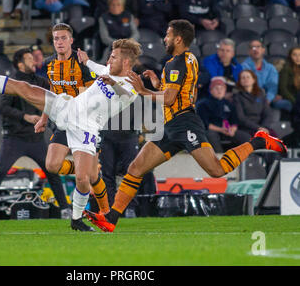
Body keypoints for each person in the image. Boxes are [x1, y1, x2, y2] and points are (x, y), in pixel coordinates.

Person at [83, 19, 287, 232]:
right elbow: (184, 92)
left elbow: (170, 99)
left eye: (168, 35)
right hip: (171, 125)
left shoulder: (176, 62)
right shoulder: (189, 59)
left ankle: (258, 141)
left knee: (216, 170)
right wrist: (157, 85)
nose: (164, 38)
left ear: (178, 38)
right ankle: (111, 218)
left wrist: (144, 91)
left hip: (184, 123)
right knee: (135, 168)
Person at [0, 38, 142, 231]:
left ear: (125, 62)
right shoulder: (107, 70)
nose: (109, 60)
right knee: (25, 88)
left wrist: (111, 82)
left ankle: (76, 219)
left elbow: (124, 94)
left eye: (113, 57)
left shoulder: (132, 85)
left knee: (83, 178)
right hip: (68, 108)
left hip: (87, 128)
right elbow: (97, 67)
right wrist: (87, 61)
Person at [0, 48, 71, 221]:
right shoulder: (13, 82)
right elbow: (3, 108)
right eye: (28, 58)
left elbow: (52, 100)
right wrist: (25, 116)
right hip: (14, 138)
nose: (33, 61)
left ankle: (65, 209)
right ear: (20, 64)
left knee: (52, 172)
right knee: (0, 172)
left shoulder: (40, 81)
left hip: (35, 139)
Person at [42, 23, 111, 220]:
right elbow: (51, 95)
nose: (60, 42)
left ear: (71, 40)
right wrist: (43, 118)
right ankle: (83, 169)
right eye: (56, 38)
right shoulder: (48, 64)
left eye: (63, 38)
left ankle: (106, 212)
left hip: (86, 123)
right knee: (52, 165)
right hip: (64, 122)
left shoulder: (82, 63)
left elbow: (94, 94)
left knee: (92, 177)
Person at [197, 77, 251, 153]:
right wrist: (221, 130)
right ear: (211, 90)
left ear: (225, 90)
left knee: (245, 137)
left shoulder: (229, 104)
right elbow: (206, 124)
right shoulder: (203, 104)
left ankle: (244, 160)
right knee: (211, 135)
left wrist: (232, 129)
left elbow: (234, 121)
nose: (219, 91)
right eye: (216, 88)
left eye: (221, 88)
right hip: (213, 130)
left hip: (227, 131)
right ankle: (220, 159)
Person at [241, 40, 292, 112]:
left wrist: (268, 99)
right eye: (253, 47)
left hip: (267, 99)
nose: (256, 50)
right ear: (249, 52)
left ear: (263, 50)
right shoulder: (243, 67)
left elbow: (272, 87)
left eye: (258, 47)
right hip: (251, 98)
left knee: (286, 104)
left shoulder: (271, 68)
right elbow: (247, 87)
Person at [98, 0, 139, 64]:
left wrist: (128, 43)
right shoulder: (103, 18)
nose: (115, 7)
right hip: (111, 47)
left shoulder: (129, 16)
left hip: (129, 47)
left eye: (118, 5)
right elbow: (105, 38)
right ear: (109, 6)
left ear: (123, 6)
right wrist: (120, 45)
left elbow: (136, 34)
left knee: (137, 59)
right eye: (112, 5)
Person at [233, 69, 275, 136]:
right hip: (247, 128)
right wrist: (258, 128)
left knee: (276, 142)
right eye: (243, 78)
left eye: (248, 77)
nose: (245, 79)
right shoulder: (237, 97)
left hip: (262, 127)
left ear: (253, 80)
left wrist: (264, 127)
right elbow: (241, 118)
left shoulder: (261, 94)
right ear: (240, 81)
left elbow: (268, 114)